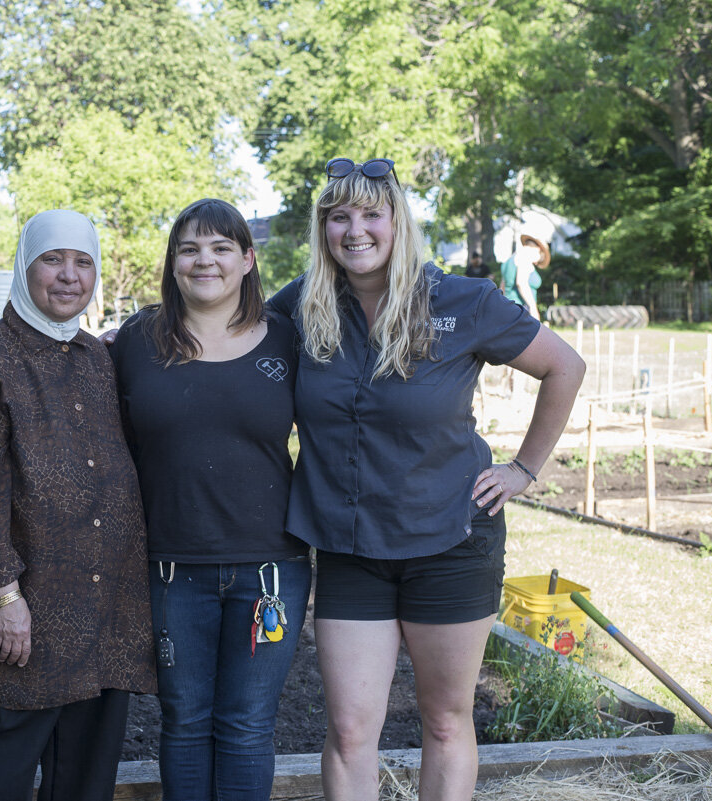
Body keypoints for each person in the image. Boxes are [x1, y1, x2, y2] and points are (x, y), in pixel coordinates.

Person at [268, 157, 584, 801]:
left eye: (371, 214)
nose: (355, 230)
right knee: (352, 730)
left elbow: (564, 367)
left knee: (444, 721)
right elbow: (220, 331)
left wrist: (523, 469)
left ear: (398, 223)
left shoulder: (463, 301)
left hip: (450, 540)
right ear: (322, 228)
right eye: (338, 217)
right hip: (350, 547)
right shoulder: (301, 305)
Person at [110, 198, 312, 801]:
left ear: (248, 260)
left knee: (247, 727)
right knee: (186, 722)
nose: (206, 260)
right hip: (172, 568)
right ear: (173, 264)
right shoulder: (137, 342)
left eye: (222, 247)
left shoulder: (287, 340)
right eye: (190, 248)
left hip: (271, 569)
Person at [0, 210, 156, 801]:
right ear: (26, 265)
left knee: (85, 778)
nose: (69, 276)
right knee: (0, 771)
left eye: (83, 262)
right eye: (53, 259)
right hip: (28, 611)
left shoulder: (97, 357)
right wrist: (5, 595)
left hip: (105, 609)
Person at [500, 216, 554, 319]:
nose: (537, 262)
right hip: (521, 310)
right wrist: (533, 308)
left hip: (507, 309)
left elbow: (502, 287)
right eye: (539, 259)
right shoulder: (524, 258)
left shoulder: (511, 259)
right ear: (538, 249)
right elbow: (521, 283)